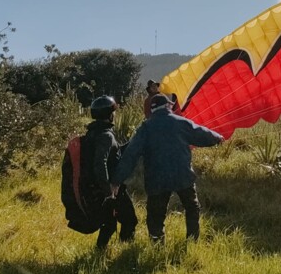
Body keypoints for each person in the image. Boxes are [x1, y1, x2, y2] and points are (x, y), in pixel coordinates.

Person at [113, 94, 223, 242]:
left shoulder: (145, 128)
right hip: (183, 175)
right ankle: (192, 240)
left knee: (156, 215)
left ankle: (157, 243)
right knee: (191, 208)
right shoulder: (182, 122)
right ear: (168, 106)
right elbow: (201, 134)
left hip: (157, 178)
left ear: (152, 110)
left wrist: (117, 179)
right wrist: (218, 138)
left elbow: (130, 156)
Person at [86, 95, 138, 250]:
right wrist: (109, 192)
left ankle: (99, 252)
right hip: (111, 188)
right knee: (130, 220)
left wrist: (133, 143)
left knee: (109, 223)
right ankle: (125, 252)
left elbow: (112, 154)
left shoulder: (93, 132)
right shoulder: (106, 136)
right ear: (109, 114)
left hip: (98, 187)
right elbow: (99, 163)